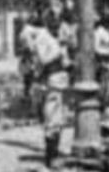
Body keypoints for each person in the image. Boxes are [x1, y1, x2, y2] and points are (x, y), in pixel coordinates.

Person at [18, 18, 70, 170]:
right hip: (51, 81)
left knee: (59, 119)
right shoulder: (42, 37)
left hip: (59, 80)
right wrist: (57, 55)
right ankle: (51, 157)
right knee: (52, 119)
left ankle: (54, 154)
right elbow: (43, 60)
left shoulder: (51, 38)